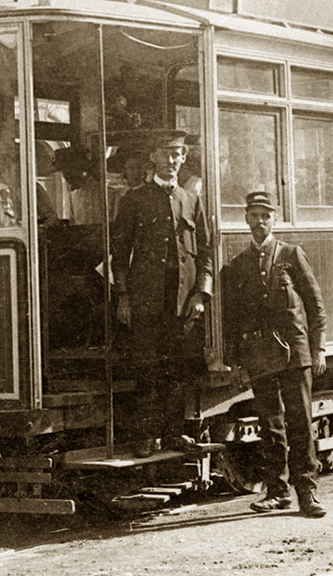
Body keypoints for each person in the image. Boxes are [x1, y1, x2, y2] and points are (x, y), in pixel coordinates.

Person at [224, 190, 328, 518]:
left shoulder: (291, 255)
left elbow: (315, 306)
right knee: (270, 425)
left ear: (275, 219)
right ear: (246, 220)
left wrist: (319, 347)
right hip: (259, 355)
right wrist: (239, 362)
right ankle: (277, 491)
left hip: (295, 353)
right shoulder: (239, 265)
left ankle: (307, 493)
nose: (259, 222)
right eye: (254, 215)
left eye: (265, 216)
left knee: (299, 422)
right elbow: (234, 319)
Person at [110, 130, 213, 457]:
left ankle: (173, 434)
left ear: (184, 159)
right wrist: (124, 297)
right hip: (147, 300)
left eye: (178, 153)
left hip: (183, 302)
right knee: (148, 368)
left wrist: (201, 294)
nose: (172, 160)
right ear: (153, 157)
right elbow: (120, 253)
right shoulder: (134, 200)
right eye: (166, 153)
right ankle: (147, 435)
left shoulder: (191, 200)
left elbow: (207, 252)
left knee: (178, 370)